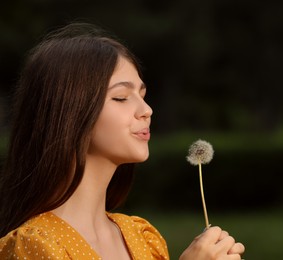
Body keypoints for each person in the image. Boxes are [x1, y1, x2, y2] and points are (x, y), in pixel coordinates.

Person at [0, 22, 245, 259]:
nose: (146, 110)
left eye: (142, 95)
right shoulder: (32, 245)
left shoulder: (142, 237)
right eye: (121, 97)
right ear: (69, 113)